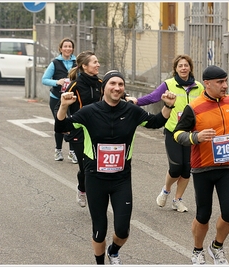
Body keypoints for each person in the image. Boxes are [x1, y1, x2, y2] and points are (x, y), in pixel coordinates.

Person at [55, 70, 177, 265]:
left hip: (121, 179)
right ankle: (100, 263)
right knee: (99, 230)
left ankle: (114, 251)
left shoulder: (131, 111)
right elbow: (62, 127)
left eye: (121, 85)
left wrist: (168, 106)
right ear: (104, 89)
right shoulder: (89, 111)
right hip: (95, 178)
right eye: (113, 84)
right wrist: (63, 107)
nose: (117, 88)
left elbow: (155, 122)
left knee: (122, 230)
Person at [173, 65, 229, 265]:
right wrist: (196, 137)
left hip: (227, 166)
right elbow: (178, 134)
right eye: (220, 82)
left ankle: (216, 247)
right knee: (203, 215)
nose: (225, 86)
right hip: (203, 168)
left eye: (225, 81)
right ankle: (197, 250)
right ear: (207, 84)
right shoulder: (194, 107)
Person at [127, 54, 204, 213]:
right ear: (175, 69)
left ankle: (178, 200)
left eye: (186, 65)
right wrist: (136, 102)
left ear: (190, 68)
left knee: (187, 168)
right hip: (173, 130)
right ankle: (166, 190)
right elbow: (153, 97)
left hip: (191, 134)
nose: (183, 68)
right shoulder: (169, 84)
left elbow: (205, 105)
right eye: (180, 66)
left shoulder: (199, 87)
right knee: (176, 167)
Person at [64, 51, 102, 208]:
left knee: (97, 166)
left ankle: (96, 195)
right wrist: (65, 126)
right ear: (84, 66)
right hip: (79, 132)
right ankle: (82, 189)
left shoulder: (101, 83)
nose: (98, 64)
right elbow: (64, 106)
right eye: (94, 62)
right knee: (85, 167)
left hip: (98, 130)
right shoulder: (75, 85)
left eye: (97, 61)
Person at [42, 38, 78, 162]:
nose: (68, 49)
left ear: (72, 49)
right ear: (61, 48)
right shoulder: (55, 63)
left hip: (72, 99)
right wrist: (57, 82)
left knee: (73, 124)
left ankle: (72, 152)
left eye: (70, 46)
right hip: (57, 98)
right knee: (60, 123)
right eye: (65, 46)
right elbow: (44, 79)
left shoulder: (77, 62)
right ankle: (58, 150)